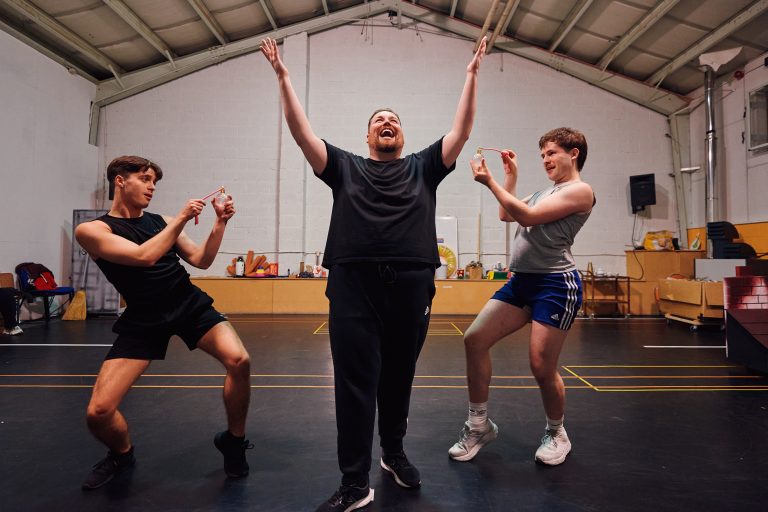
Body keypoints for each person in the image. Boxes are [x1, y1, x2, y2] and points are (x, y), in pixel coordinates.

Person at [261, 36, 486, 511]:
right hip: (352, 285)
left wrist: (470, 76)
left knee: (398, 378)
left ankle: (394, 454)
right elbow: (302, 134)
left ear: (402, 136)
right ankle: (354, 481)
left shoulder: (425, 166)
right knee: (354, 382)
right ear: (367, 137)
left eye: (394, 120)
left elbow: (461, 132)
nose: (387, 123)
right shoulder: (344, 166)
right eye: (378, 120)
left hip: (411, 285)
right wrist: (284, 76)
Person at [75, 156, 252, 490]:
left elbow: (201, 260)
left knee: (239, 360)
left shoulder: (162, 221)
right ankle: (121, 453)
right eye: (145, 178)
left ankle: (234, 441)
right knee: (98, 412)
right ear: (120, 181)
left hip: (187, 304)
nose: (152, 187)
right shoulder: (93, 230)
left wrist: (220, 222)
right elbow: (145, 256)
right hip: (144, 316)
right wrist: (183, 218)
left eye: (155, 181)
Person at [449, 128, 594, 467]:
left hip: (556, 285)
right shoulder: (546, 191)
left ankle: (557, 432)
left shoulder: (580, 191)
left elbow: (527, 216)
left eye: (552, 153)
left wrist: (488, 182)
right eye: (542, 154)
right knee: (474, 340)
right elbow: (507, 213)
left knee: (541, 366)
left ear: (573, 154)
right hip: (522, 282)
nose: (545, 159)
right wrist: (509, 178)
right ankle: (479, 425)